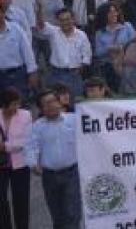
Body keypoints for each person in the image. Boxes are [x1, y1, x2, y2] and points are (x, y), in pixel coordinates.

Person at [26, 90, 80, 229]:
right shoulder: (37, 126)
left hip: (71, 174)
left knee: (72, 213)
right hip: (49, 176)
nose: (51, 106)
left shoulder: (74, 119)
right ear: (41, 109)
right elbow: (31, 147)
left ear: (59, 102)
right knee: (57, 215)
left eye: (53, 101)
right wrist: (33, 164)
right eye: (46, 104)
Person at [36, 7, 91, 98]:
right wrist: (39, 9)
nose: (65, 22)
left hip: (74, 75)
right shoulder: (53, 32)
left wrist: (80, 68)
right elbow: (41, 26)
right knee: (56, 103)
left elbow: (87, 55)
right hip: (56, 74)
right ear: (57, 21)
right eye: (62, 20)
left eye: (67, 19)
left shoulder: (82, 35)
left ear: (73, 19)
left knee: (76, 102)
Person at [0, 87, 31, 229]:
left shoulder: (26, 115)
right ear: (5, 104)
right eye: (13, 104)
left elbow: (27, 140)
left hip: (20, 164)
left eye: (18, 103)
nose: (17, 107)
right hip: (1, 165)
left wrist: (6, 146)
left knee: (21, 200)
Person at [0, 4, 38, 103]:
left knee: (21, 104)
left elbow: (27, 51)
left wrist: (32, 72)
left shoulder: (16, 28)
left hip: (17, 75)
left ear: (3, 13)